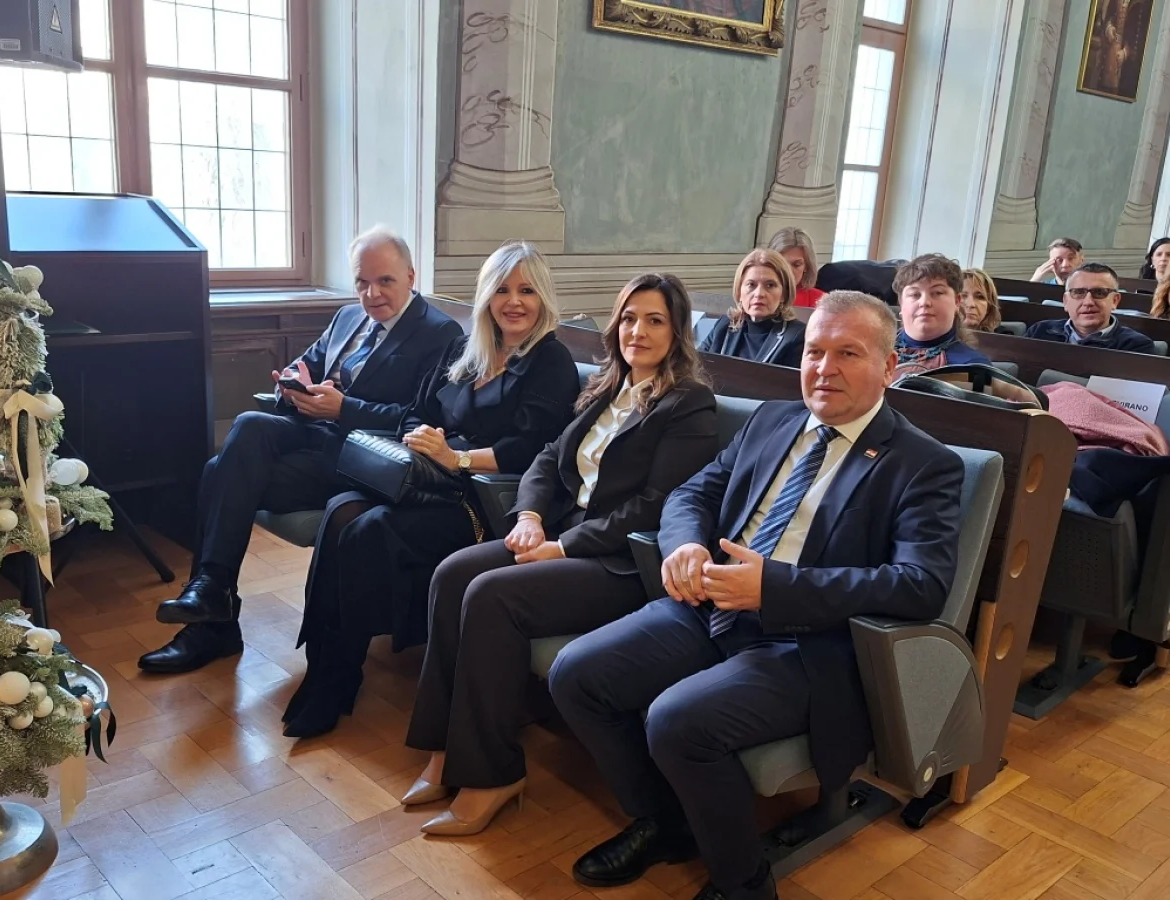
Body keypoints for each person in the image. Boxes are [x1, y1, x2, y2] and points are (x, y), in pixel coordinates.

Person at [549, 291, 964, 900]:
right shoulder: (773, 421)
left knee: (677, 721)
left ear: (889, 366)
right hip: (712, 604)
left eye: (848, 353)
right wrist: (686, 546)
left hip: (807, 643)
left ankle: (743, 883)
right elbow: (691, 495)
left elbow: (920, 585)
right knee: (577, 674)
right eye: (814, 352)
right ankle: (667, 821)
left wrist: (775, 587)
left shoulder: (924, 464)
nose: (824, 369)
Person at [402, 273, 719, 836]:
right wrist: (528, 516)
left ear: (678, 332)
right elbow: (547, 458)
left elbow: (655, 505)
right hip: (559, 533)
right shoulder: (606, 387)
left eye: (655, 321)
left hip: (620, 564)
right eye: (629, 318)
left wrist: (565, 545)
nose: (638, 332)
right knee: (452, 574)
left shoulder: (689, 404)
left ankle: (492, 775)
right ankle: (443, 751)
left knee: (491, 595)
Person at [281, 241, 580, 738]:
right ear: (486, 296)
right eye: (502, 289)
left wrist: (454, 457)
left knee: (371, 529)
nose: (513, 301)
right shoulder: (468, 349)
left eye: (527, 291)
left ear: (543, 297)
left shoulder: (551, 360)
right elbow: (419, 413)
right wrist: (424, 440)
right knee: (339, 513)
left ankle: (339, 677)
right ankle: (323, 663)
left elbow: (530, 451)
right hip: (426, 477)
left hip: (482, 499)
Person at [138, 227, 463, 675]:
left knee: (218, 472)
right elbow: (305, 364)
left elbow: (421, 419)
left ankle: (213, 617)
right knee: (250, 424)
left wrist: (344, 408)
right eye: (362, 282)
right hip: (312, 434)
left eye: (385, 281)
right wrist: (293, 383)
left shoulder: (440, 333)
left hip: (363, 457)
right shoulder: (347, 317)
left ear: (410, 275)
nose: (371, 294)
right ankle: (212, 597)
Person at [699, 249, 805, 366]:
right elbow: (696, 367)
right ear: (739, 292)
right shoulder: (725, 324)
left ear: (784, 294)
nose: (759, 294)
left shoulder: (796, 336)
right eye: (751, 285)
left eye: (770, 285)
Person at [1024, 262, 1156, 354]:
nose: (1088, 302)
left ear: (1115, 301)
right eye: (1078, 292)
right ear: (1066, 301)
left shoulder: (1136, 346)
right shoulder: (1040, 332)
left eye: (1099, 293)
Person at [894, 253, 990, 374]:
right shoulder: (875, 348)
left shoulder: (973, 367)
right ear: (901, 304)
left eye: (937, 292)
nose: (924, 302)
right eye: (915, 294)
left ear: (957, 301)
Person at [767, 227, 824, 308]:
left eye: (797, 264)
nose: (789, 271)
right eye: (782, 263)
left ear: (807, 266)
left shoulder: (822, 301)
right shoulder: (756, 295)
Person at [960, 268, 1002, 332]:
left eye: (980, 297)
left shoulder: (1004, 337)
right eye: (963, 296)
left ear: (989, 307)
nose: (970, 304)